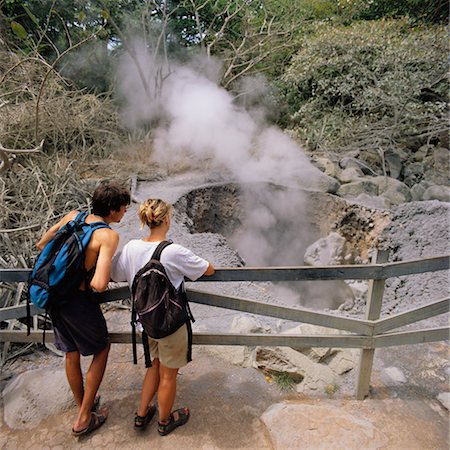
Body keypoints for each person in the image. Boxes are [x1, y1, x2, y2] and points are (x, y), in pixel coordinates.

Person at [111, 198, 215, 436]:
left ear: (145, 221)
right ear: (166, 219)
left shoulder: (131, 248)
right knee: (168, 376)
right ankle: (165, 421)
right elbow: (206, 269)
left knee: (153, 367)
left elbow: (115, 274)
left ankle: (141, 415)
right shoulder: (174, 251)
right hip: (171, 325)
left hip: (144, 323)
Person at [35, 181, 131, 437]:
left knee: (71, 351)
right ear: (111, 210)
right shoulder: (108, 235)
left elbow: (42, 245)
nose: (125, 212)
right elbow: (99, 284)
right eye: (123, 208)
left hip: (55, 296)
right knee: (102, 348)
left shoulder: (72, 216)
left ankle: (83, 406)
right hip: (78, 302)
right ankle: (83, 419)